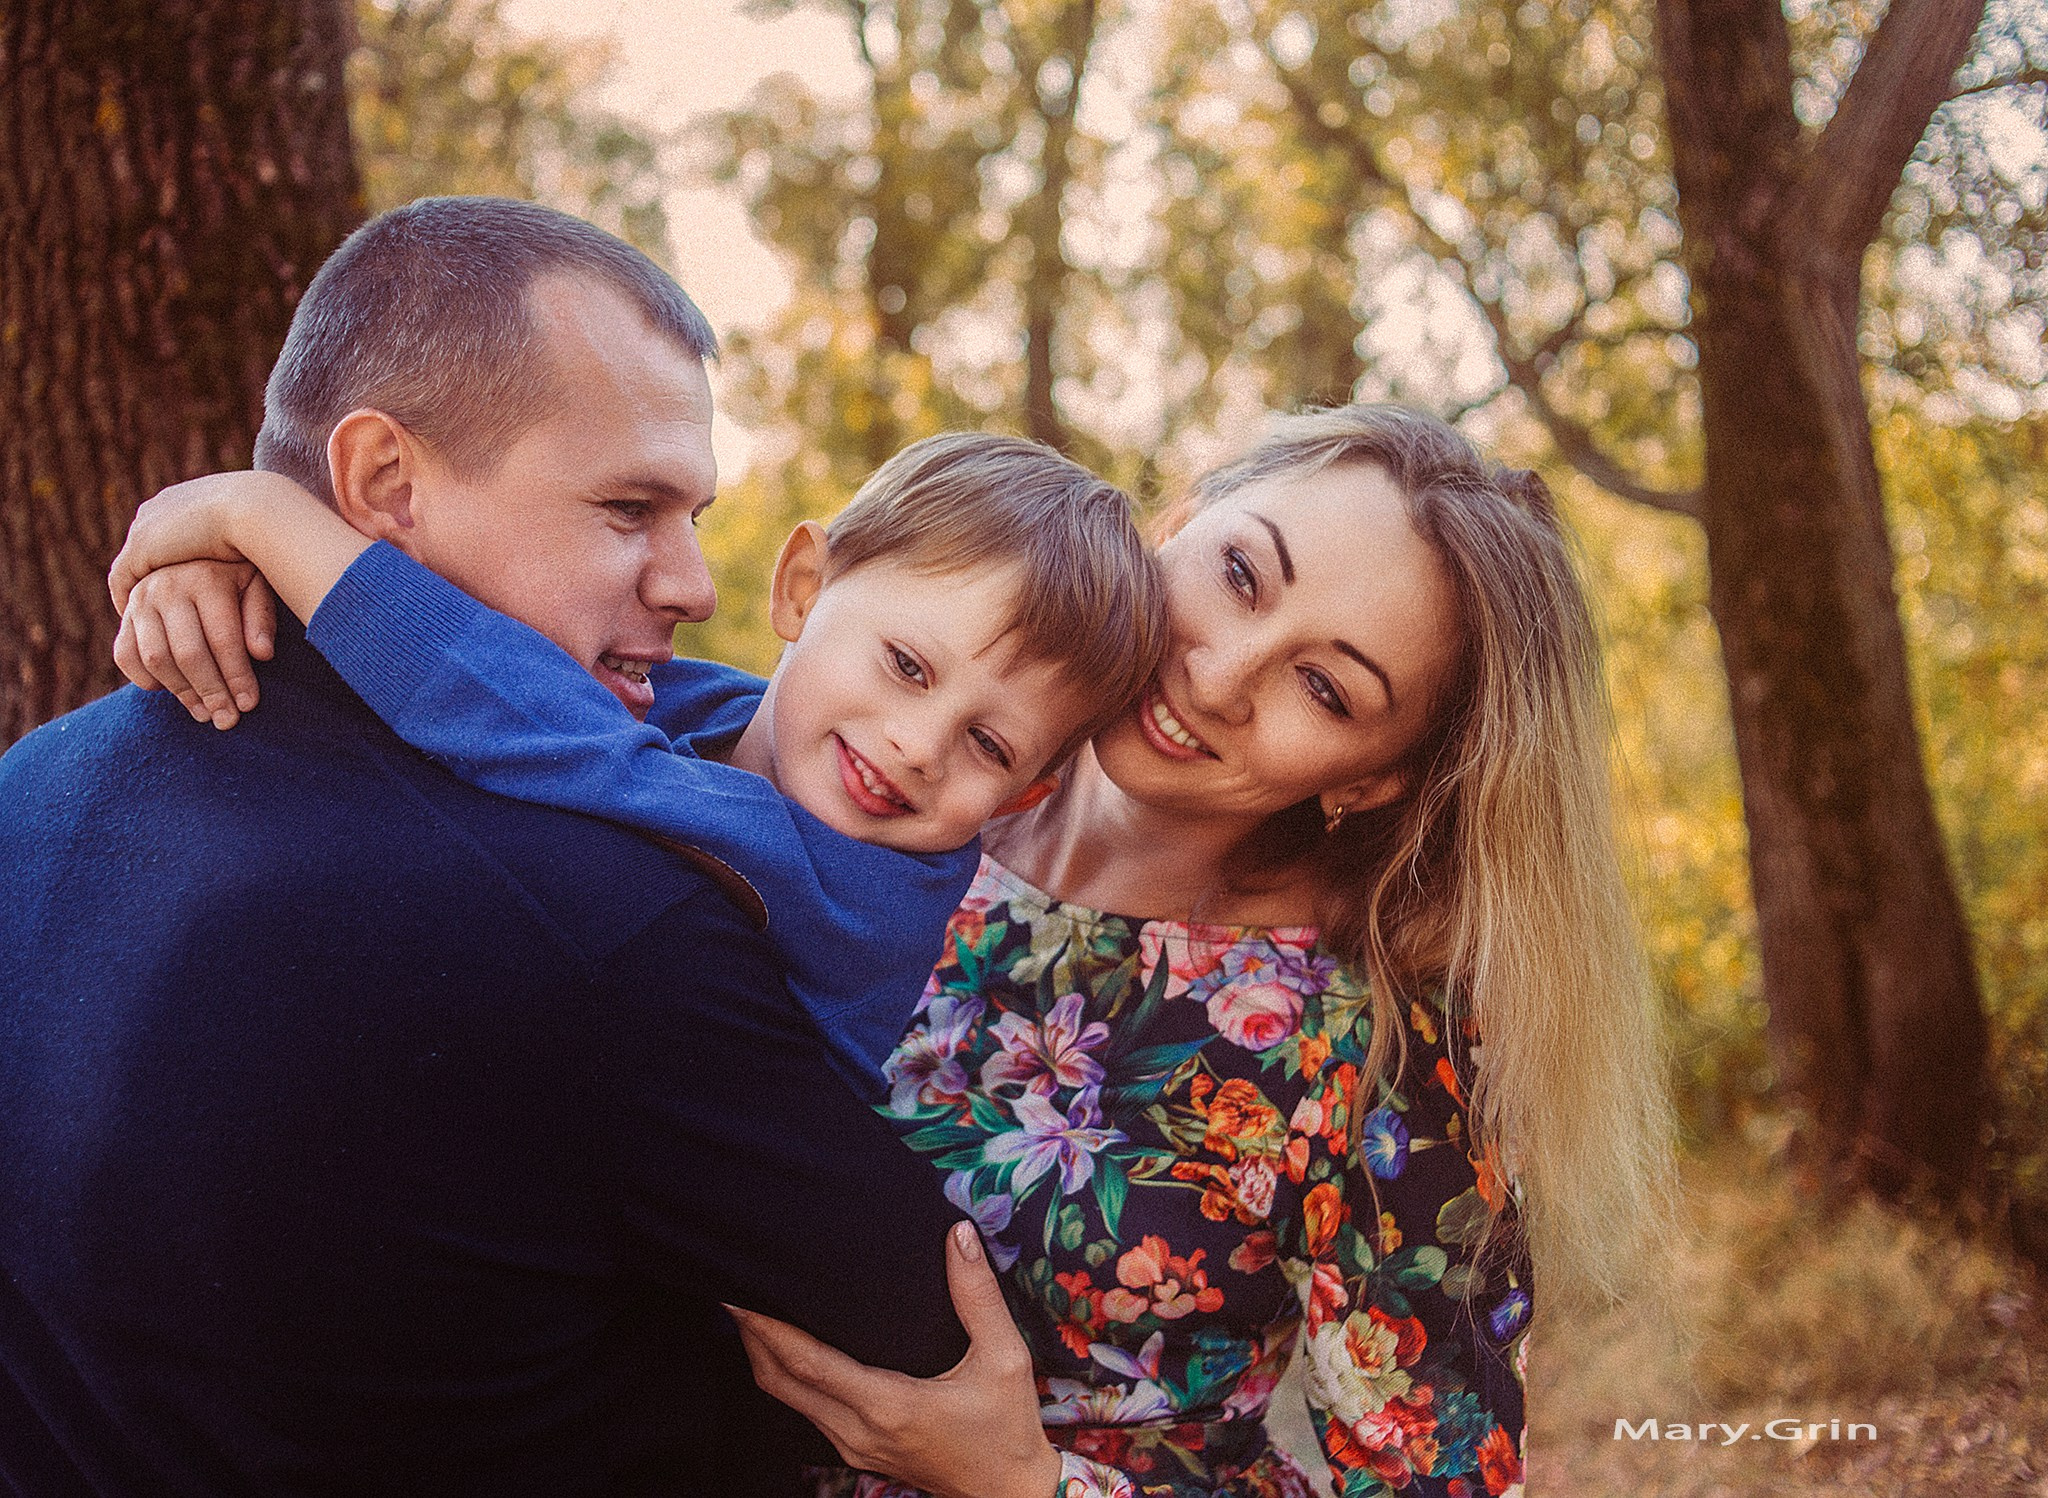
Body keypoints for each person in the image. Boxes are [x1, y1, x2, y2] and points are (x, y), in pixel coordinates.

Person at [0, 196, 1096, 1498]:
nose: (692, 582)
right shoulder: (606, 927)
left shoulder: (40, 779)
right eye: (631, 507)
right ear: (385, 487)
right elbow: (931, 1342)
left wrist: (243, 529)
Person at [717, 406, 1677, 1498]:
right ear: (1178, 520)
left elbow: (1437, 1480)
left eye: (1324, 690)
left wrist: (1022, 1484)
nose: (1220, 675)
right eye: (1238, 574)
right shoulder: (904, 771)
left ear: (1371, 777)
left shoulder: (1375, 1047)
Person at [105, 430, 1166, 1092]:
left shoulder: (861, 886)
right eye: (905, 665)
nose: (917, 745)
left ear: (1025, 793)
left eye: (988, 744)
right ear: (802, 585)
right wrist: (235, 583)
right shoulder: (709, 713)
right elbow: (505, 659)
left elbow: (509, 708)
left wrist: (255, 514)